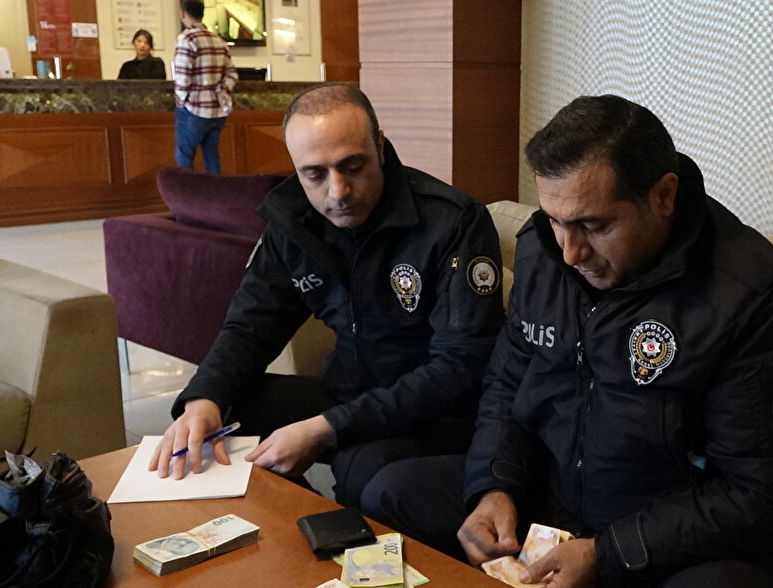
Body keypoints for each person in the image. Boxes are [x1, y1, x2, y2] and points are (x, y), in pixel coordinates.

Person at [361, 95, 773, 588]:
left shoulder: (752, 297)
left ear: (663, 196)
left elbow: (767, 494)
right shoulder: (545, 255)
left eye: (593, 225)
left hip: (688, 534)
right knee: (389, 492)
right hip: (561, 490)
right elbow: (509, 383)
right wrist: (494, 485)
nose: (570, 250)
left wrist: (607, 554)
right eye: (556, 221)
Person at [148, 84, 506, 510]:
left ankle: (329, 535)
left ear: (381, 146)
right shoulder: (293, 220)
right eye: (314, 175)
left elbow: (460, 370)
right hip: (346, 392)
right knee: (225, 408)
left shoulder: (452, 222)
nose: (337, 192)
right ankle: (291, 529)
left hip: (433, 413)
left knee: (361, 470)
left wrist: (327, 427)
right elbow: (250, 326)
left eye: (353, 166)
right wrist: (203, 399)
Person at [172, 0, 237, 174]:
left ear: (182, 13)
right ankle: (215, 198)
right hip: (217, 112)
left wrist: (180, 102)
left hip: (193, 109)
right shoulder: (219, 41)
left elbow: (183, 78)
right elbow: (232, 73)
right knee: (212, 157)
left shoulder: (186, 39)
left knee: (185, 158)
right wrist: (223, 90)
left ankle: (184, 200)